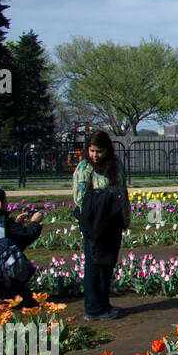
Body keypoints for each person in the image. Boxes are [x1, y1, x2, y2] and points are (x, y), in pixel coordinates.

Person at [73, 130, 130, 321]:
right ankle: (93, 308)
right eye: (92, 151)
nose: (95, 155)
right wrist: (107, 200)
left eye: (99, 151)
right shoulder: (85, 168)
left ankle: (104, 304)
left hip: (113, 221)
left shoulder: (115, 165)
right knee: (94, 264)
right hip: (96, 223)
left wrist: (125, 216)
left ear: (107, 150)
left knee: (107, 264)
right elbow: (80, 200)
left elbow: (123, 190)